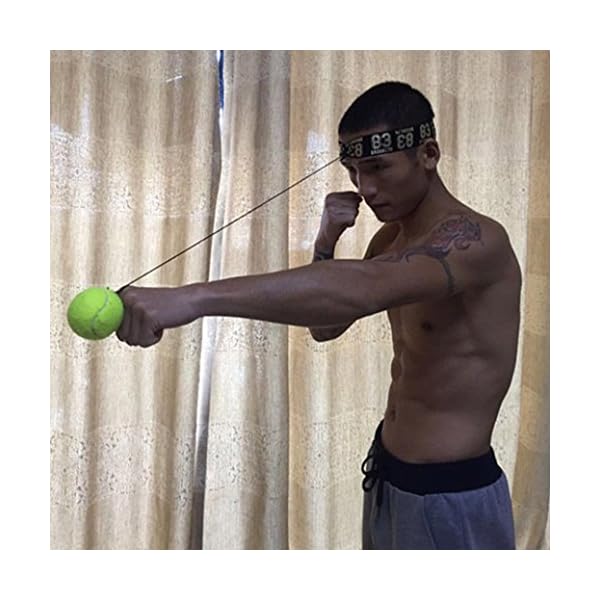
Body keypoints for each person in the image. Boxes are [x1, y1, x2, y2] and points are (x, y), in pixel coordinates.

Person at [116, 81, 521, 550]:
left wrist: (192, 300)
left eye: (378, 167)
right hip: (388, 475)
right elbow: (325, 327)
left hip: (451, 494)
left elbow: (361, 289)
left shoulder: (477, 241)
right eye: (353, 172)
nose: (365, 189)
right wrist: (326, 240)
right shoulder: (390, 241)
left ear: (427, 154)